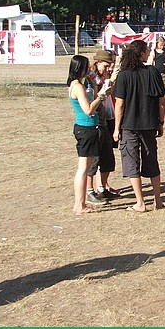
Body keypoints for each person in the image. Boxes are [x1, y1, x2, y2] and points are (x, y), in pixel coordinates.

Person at [112, 39, 165, 213]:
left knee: (132, 162)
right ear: (140, 53)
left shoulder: (123, 75)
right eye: (147, 50)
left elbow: (119, 104)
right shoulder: (153, 72)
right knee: (152, 161)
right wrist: (161, 122)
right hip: (149, 124)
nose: (150, 52)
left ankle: (140, 202)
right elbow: (161, 101)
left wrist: (116, 128)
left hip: (129, 125)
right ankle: (158, 200)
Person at [67, 55, 111, 214]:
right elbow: (88, 110)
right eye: (87, 67)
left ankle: (81, 203)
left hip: (86, 127)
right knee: (83, 169)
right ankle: (79, 205)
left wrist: (95, 85)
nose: (89, 69)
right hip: (86, 128)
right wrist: (101, 96)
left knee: (84, 168)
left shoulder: (78, 84)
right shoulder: (78, 87)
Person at [86, 49, 119, 205]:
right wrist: (108, 82)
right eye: (106, 65)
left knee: (107, 158)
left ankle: (102, 187)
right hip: (96, 121)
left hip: (106, 119)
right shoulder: (91, 77)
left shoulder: (104, 76)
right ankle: (89, 190)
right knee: (94, 159)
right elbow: (95, 96)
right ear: (97, 62)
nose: (108, 68)